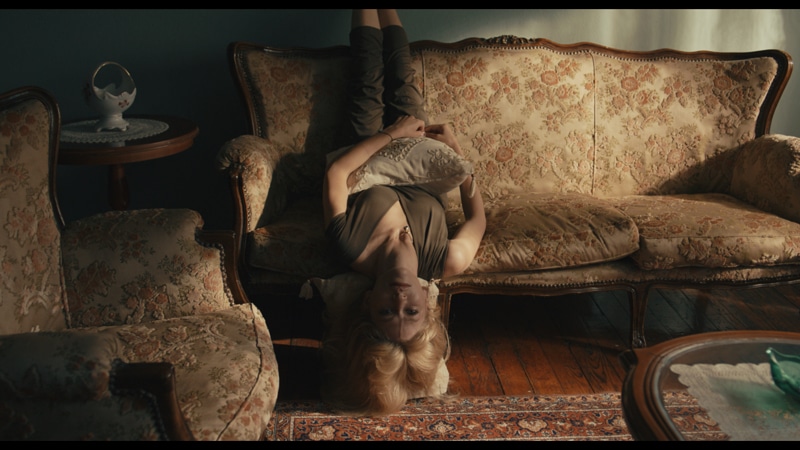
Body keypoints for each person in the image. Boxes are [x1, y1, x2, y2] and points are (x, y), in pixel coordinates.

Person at [321, 9, 486, 416]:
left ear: (367, 303)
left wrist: (389, 135)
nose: (399, 299)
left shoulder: (350, 248)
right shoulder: (446, 259)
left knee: (367, 80)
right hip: (421, 160)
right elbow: (477, 220)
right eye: (410, 311)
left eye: (385, 310)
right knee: (403, 78)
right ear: (428, 307)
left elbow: (338, 174)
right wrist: (458, 155)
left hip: (366, 149)